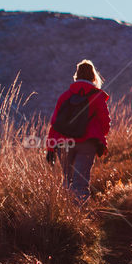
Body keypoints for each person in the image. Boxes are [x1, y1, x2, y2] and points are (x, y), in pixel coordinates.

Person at [46, 60, 111, 203]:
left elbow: (55, 124)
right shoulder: (98, 96)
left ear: (76, 76)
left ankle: (67, 215)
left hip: (64, 144)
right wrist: (99, 137)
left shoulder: (65, 96)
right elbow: (105, 122)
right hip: (87, 144)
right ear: (94, 77)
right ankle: (79, 215)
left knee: (68, 180)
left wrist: (50, 147)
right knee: (80, 182)